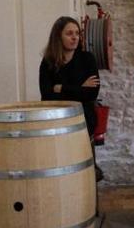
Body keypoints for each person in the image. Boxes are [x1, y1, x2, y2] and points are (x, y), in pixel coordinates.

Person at [39, 16, 102, 180]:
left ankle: (88, 170)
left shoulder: (87, 58)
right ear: (58, 36)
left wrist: (61, 88)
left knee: (84, 119)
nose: (75, 37)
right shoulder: (48, 62)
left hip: (83, 113)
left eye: (77, 33)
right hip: (57, 115)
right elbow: (46, 96)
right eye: (69, 33)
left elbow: (92, 93)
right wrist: (79, 88)